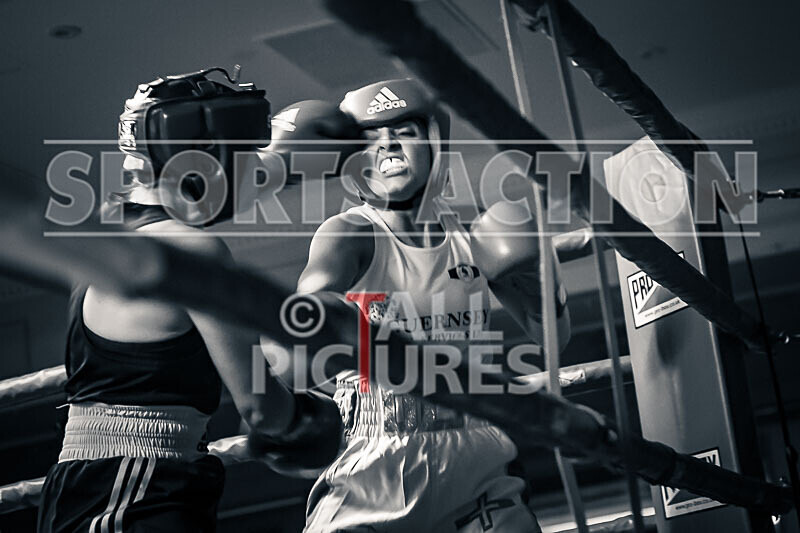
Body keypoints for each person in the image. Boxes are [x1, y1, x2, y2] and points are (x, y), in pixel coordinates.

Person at [37, 68, 341, 533]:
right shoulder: (194, 251)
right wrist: (316, 417)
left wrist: (285, 158)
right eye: (235, 159)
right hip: (139, 488)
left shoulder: (109, 232)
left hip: (92, 487)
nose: (246, 171)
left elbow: (204, 192)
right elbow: (261, 407)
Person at [294, 78, 571, 532]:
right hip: (376, 458)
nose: (388, 148)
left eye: (403, 132)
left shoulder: (476, 238)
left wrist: (540, 281)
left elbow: (556, 341)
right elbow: (292, 343)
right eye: (370, 139)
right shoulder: (348, 234)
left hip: (476, 454)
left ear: (433, 142)